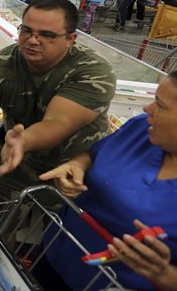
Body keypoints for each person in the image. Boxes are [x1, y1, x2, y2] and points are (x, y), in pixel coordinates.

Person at [0, 0, 116, 203]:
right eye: (26, 31)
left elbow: (59, 122)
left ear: (70, 38)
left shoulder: (93, 71)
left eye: (47, 35)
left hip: (73, 173)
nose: (32, 40)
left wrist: (23, 141)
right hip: (14, 166)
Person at [37, 71, 177, 291]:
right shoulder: (142, 129)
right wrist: (76, 166)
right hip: (55, 254)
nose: (147, 109)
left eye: (160, 105)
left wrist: (164, 275)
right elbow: (93, 155)